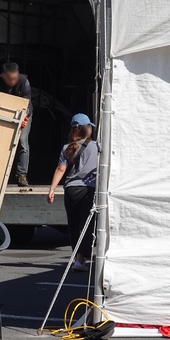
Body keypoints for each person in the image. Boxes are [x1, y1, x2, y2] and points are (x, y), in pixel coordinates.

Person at [48, 113, 98, 271]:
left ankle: (78, 259)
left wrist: (52, 189)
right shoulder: (97, 146)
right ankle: (83, 259)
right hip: (89, 189)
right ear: (87, 128)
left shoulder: (66, 148)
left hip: (71, 189)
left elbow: (60, 169)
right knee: (86, 225)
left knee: (73, 225)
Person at [0, 62, 32, 187]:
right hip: (3, 114)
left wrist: (24, 118)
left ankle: (22, 174)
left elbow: (27, 105)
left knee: (22, 141)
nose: (12, 81)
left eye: (14, 78)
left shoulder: (24, 82)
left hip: (23, 114)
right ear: (3, 76)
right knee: (0, 141)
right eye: (9, 79)